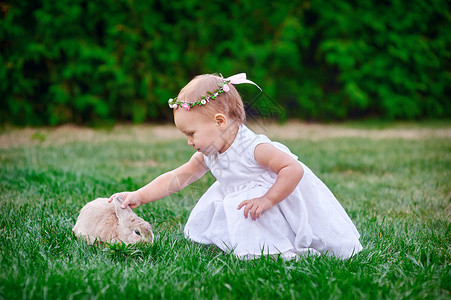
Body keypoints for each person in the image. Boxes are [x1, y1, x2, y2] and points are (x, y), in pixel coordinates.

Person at [109, 73, 363, 259]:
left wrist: (267, 199)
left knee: (257, 217)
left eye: (192, 133)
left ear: (220, 121)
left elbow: (292, 169)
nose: (189, 142)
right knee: (241, 214)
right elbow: (177, 178)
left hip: (276, 198)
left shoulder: (254, 148)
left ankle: (282, 249)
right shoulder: (209, 152)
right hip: (246, 201)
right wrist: (139, 195)